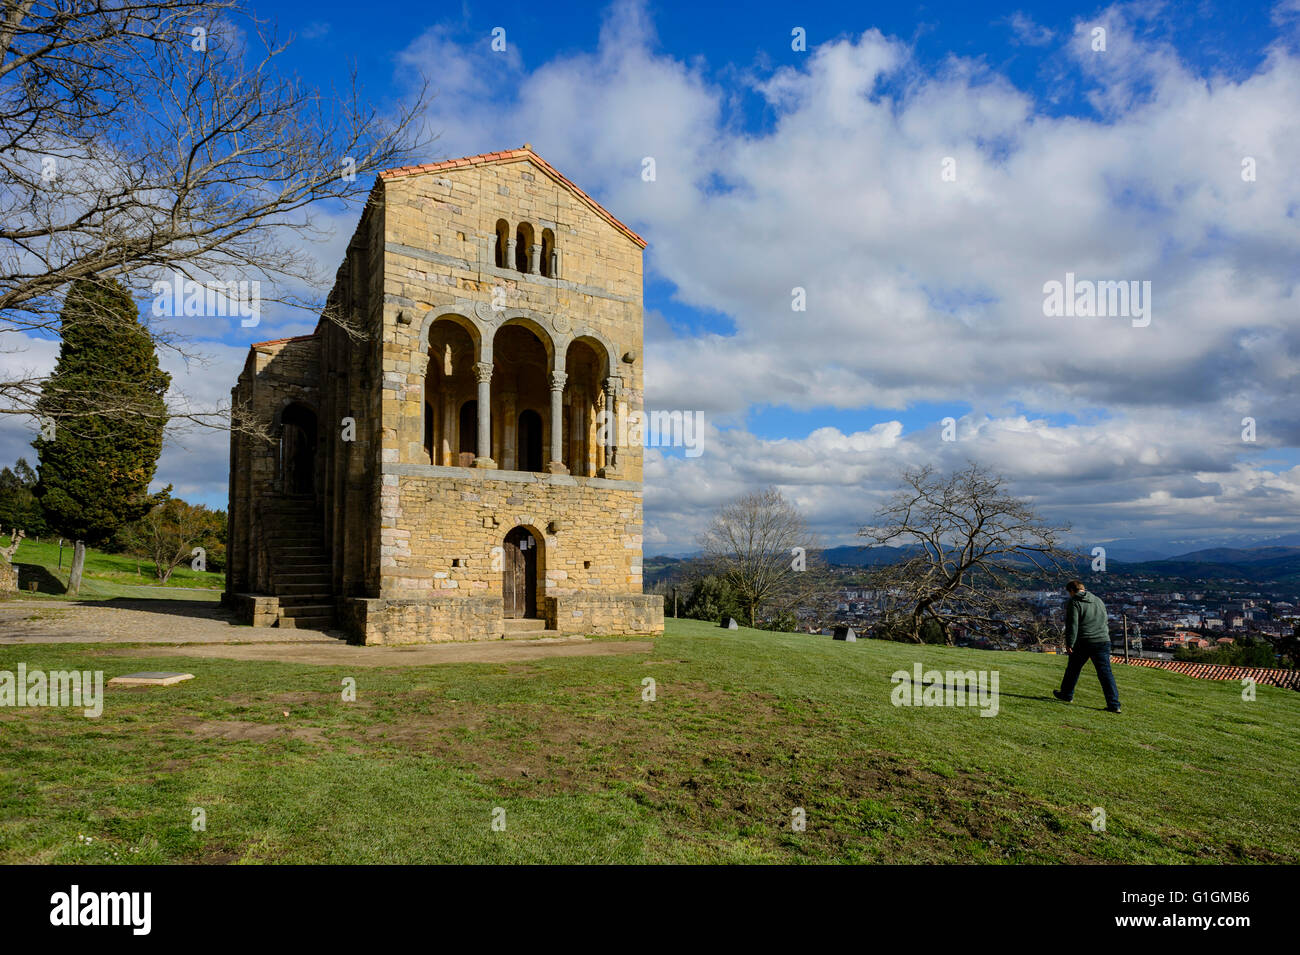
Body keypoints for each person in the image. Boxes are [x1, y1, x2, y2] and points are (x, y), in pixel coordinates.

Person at [1053, 580, 1121, 713]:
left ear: (1072, 591)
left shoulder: (1074, 602)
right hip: (1102, 641)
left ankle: (1067, 694)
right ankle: (1114, 704)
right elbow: (1105, 620)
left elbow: (1073, 625)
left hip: (1084, 642)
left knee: (1073, 669)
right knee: (1105, 673)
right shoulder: (1098, 600)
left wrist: (1069, 643)